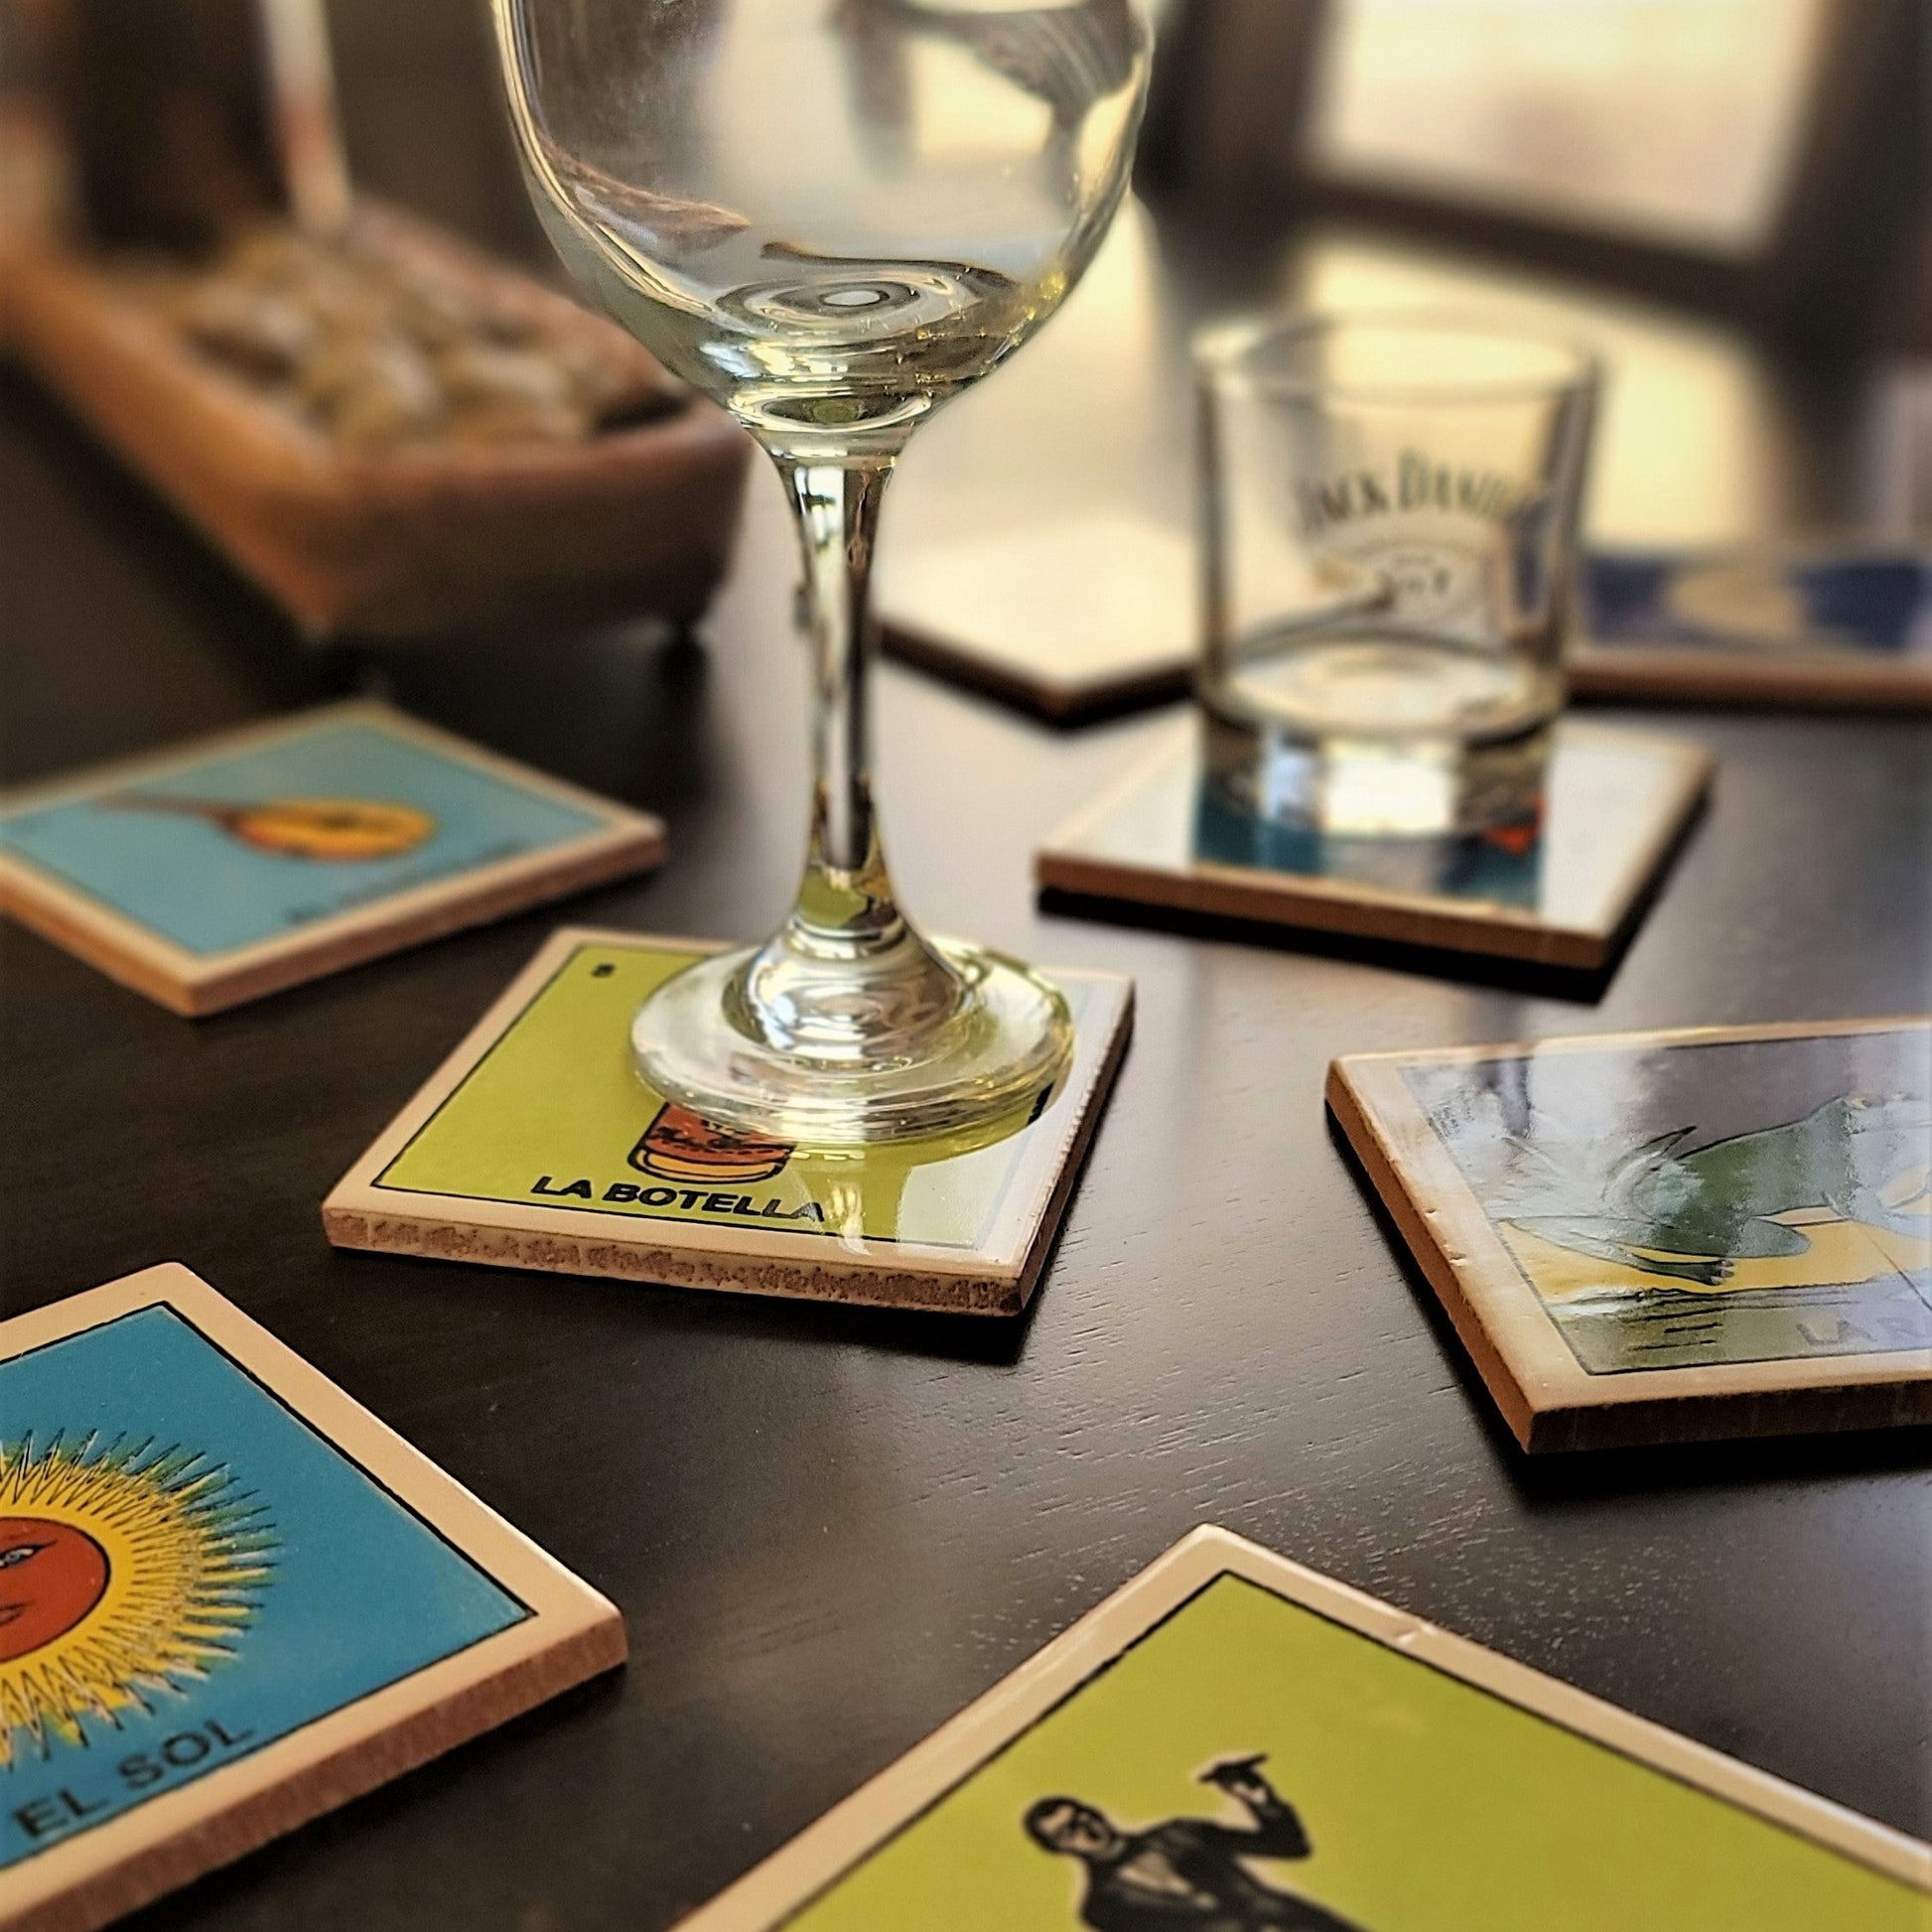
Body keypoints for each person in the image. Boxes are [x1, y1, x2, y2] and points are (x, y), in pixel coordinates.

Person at [1024, 1753, 1366, 1931]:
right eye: (1069, 1832)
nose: (1086, 1828)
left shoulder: (1181, 1832)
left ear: (1096, 1811)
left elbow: (1289, 1846)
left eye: (1083, 1816)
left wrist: (1258, 1797)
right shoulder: (1101, 1909)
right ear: (1059, 1849)